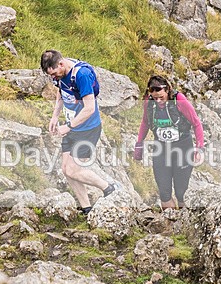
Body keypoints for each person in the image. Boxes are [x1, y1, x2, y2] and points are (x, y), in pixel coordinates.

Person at [41, 49, 118, 215]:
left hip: (87, 129)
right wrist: (55, 116)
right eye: (51, 76)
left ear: (61, 64)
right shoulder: (59, 76)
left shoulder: (81, 75)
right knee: (65, 169)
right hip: (72, 127)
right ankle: (86, 208)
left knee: (73, 169)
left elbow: (90, 108)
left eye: (54, 73)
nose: (53, 78)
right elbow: (60, 93)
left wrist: (68, 126)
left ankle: (109, 188)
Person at [133, 75, 204, 209]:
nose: (158, 100)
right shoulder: (149, 102)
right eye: (155, 98)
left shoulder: (179, 100)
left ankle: (183, 223)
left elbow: (196, 123)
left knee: (181, 192)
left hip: (182, 148)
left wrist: (199, 148)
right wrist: (139, 144)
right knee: (164, 192)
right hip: (161, 148)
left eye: (161, 97)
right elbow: (145, 122)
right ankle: (170, 223)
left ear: (167, 91)